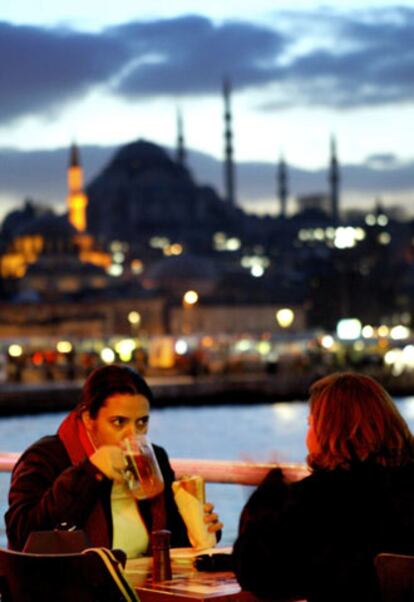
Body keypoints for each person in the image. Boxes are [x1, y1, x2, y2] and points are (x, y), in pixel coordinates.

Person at [232, 372, 414, 602]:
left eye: (310, 424)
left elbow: (258, 574)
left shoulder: (316, 500)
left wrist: (264, 499)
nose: (307, 436)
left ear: (328, 431)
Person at [6, 364, 222, 556]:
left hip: (143, 587)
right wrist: (89, 473)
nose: (132, 434)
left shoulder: (155, 458)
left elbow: (173, 542)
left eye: (141, 422)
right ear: (88, 418)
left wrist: (201, 526)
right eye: (119, 422)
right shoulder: (44, 457)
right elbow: (21, 534)